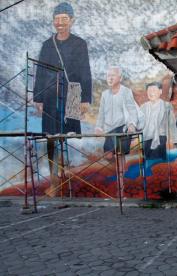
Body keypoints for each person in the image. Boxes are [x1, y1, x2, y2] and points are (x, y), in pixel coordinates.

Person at [33, 2, 92, 197]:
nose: (60, 23)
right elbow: (40, 72)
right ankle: (54, 181)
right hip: (50, 95)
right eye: (57, 19)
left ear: (72, 21)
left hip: (73, 93)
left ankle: (69, 179)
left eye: (64, 19)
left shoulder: (79, 44)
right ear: (53, 21)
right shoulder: (47, 45)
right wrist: (38, 98)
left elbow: (85, 72)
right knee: (51, 138)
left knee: (70, 137)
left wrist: (85, 99)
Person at [95, 67, 138, 159]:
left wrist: (132, 124)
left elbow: (132, 110)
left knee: (120, 155)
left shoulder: (126, 92)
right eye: (108, 76)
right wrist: (98, 127)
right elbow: (101, 113)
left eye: (113, 75)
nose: (110, 78)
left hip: (122, 127)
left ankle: (122, 173)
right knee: (108, 156)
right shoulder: (105, 94)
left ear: (120, 78)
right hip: (109, 129)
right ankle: (119, 171)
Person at [138, 82, 177, 160]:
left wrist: (176, 140)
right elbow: (139, 123)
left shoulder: (166, 105)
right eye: (149, 91)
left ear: (160, 91)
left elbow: (172, 124)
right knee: (147, 161)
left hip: (160, 138)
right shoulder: (143, 107)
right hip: (146, 138)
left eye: (154, 90)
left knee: (158, 162)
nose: (151, 93)